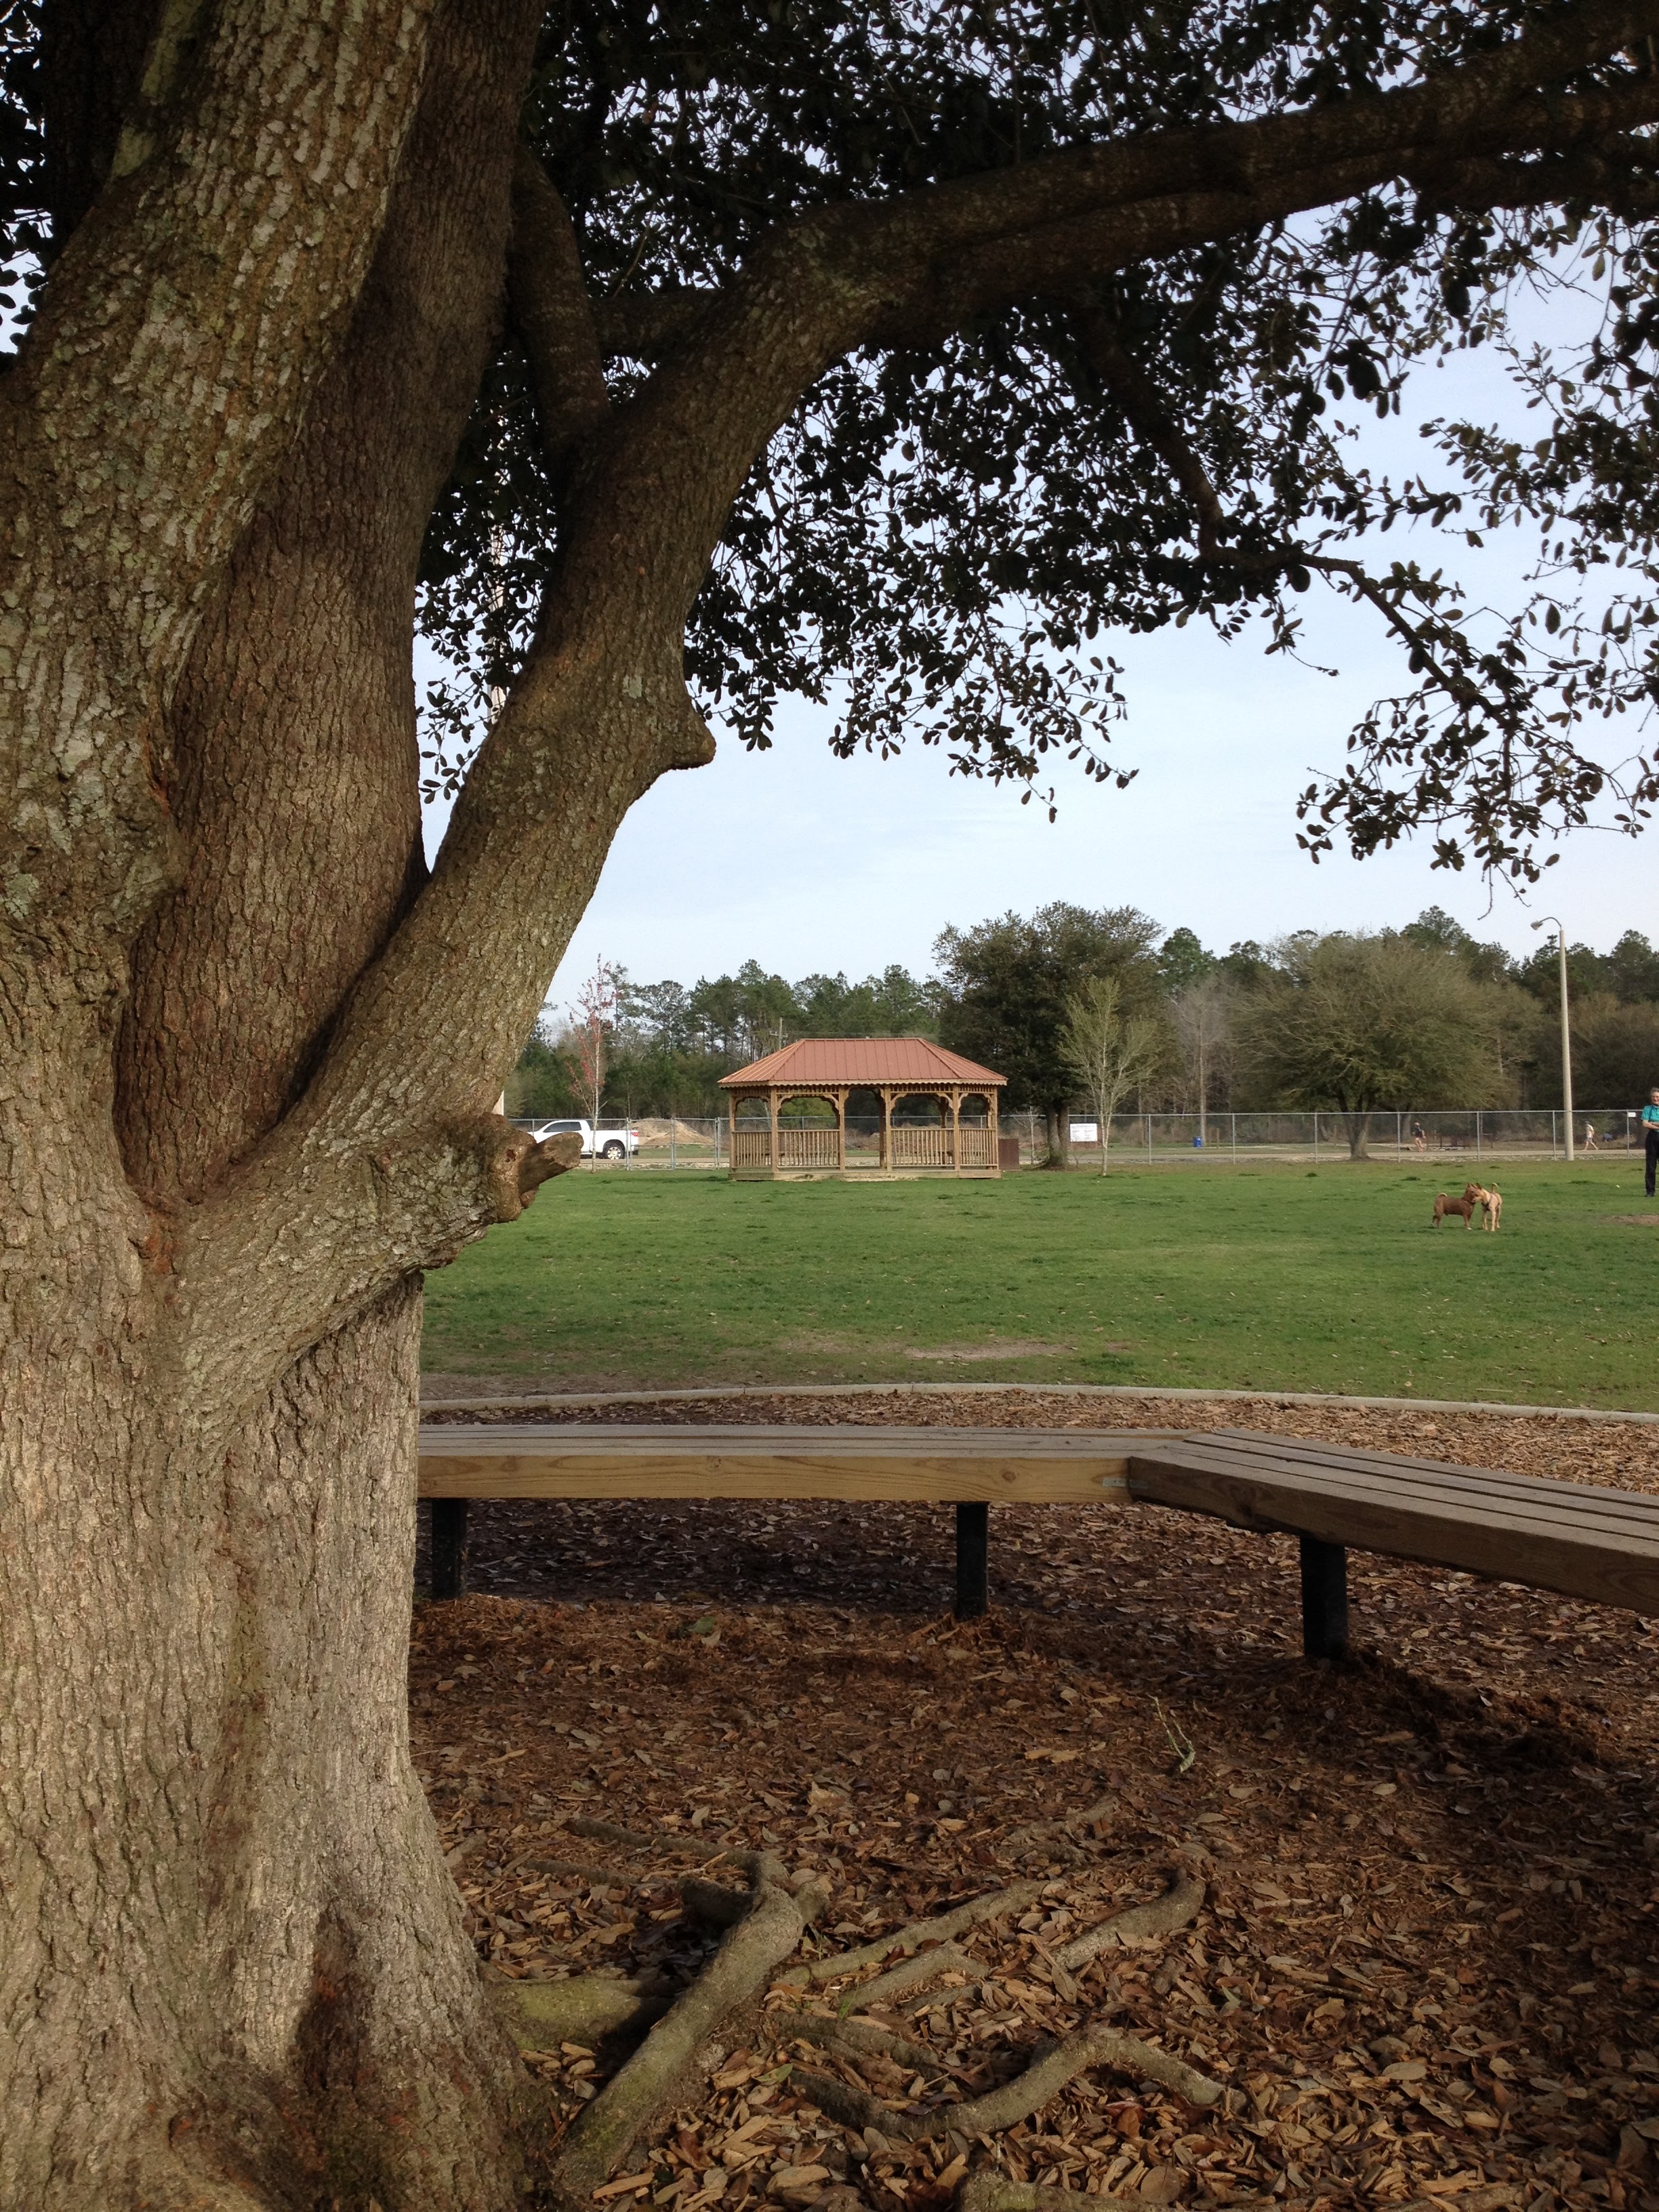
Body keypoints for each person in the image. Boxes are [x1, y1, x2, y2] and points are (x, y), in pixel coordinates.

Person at [1643, 1088, 1659, 1197]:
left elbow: (1649, 1123)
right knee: (1650, 1165)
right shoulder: (1647, 1109)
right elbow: (1645, 1123)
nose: (1655, 1099)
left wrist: (1652, 1123)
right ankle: (1650, 1191)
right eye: (1654, 1097)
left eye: (1657, 1097)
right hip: (1652, 1138)